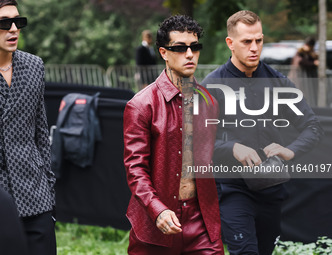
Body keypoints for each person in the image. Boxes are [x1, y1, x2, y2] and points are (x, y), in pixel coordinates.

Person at [201, 10, 323, 255]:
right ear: (230, 43)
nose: (254, 47)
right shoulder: (210, 87)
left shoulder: (279, 83)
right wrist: (231, 148)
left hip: (272, 188)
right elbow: (195, 143)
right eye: (247, 41)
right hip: (232, 189)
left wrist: (291, 150)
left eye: (259, 40)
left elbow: (313, 127)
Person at [123, 15, 224, 254]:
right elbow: (135, 169)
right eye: (179, 48)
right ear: (163, 53)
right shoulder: (141, 105)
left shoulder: (209, 101)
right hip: (156, 221)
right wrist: (157, 208)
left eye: (194, 47)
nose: (189, 54)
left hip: (202, 222)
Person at [0, 1, 56, 254]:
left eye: (19, 21)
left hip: (35, 193)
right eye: (4, 23)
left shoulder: (34, 66)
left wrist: (49, 190)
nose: (14, 29)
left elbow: (41, 131)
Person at [289, 36, 319, 105]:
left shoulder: (310, 53)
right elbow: (301, 62)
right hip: (299, 78)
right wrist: (314, 63)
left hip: (306, 80)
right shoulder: (300, 52)